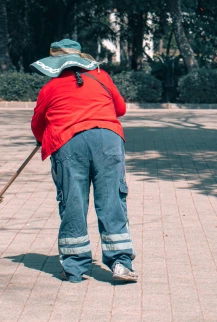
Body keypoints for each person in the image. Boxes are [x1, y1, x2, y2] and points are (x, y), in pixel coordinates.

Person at [30, 39, 137, 284]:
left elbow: (37, 124)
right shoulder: (102, 76)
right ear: (81, 58)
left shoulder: (50, 87)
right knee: (111, 200)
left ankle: (74, 268)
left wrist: (41, 138)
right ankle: (121, 263)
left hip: (68, 143)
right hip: (108, 140)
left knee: (73, 202)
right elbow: (120, 109)